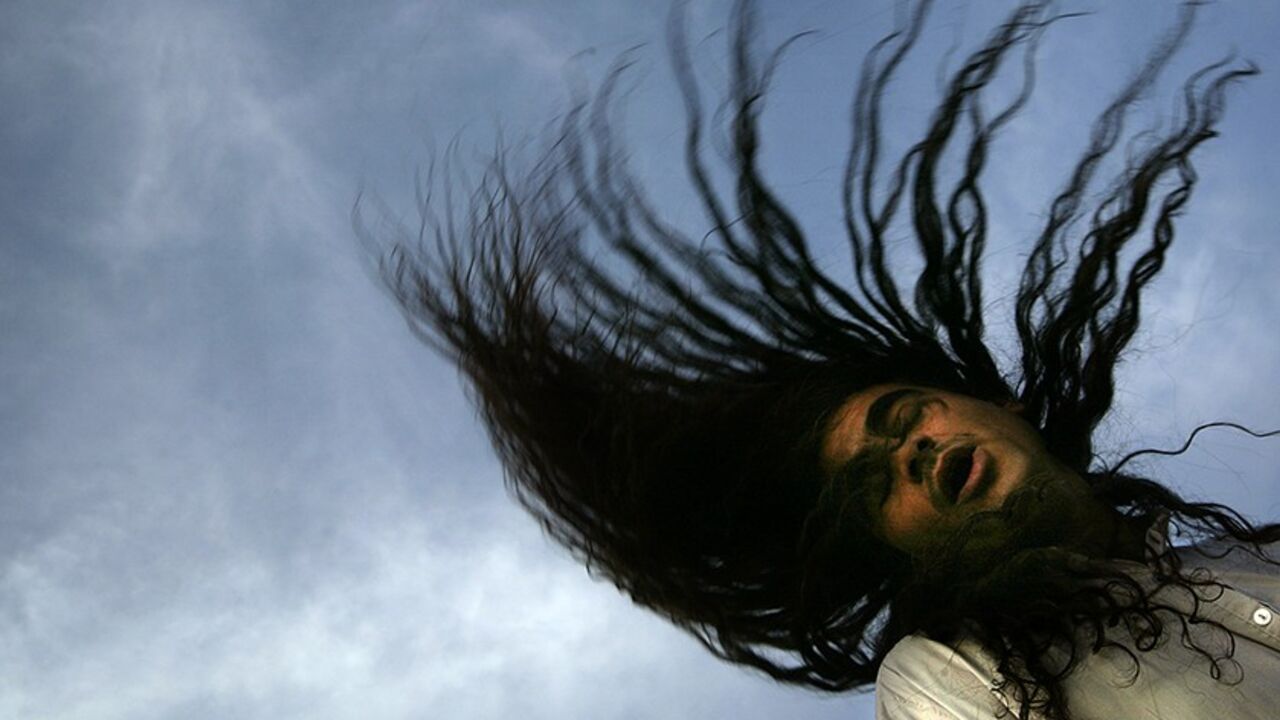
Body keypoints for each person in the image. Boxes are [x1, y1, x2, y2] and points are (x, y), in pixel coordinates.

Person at [357, 1, 1280, 717]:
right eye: (877, 488)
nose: (911, 455)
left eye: (902, 418)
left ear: (996, 399)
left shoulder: (1251, 561)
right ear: (900, 552)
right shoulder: (953, 677)